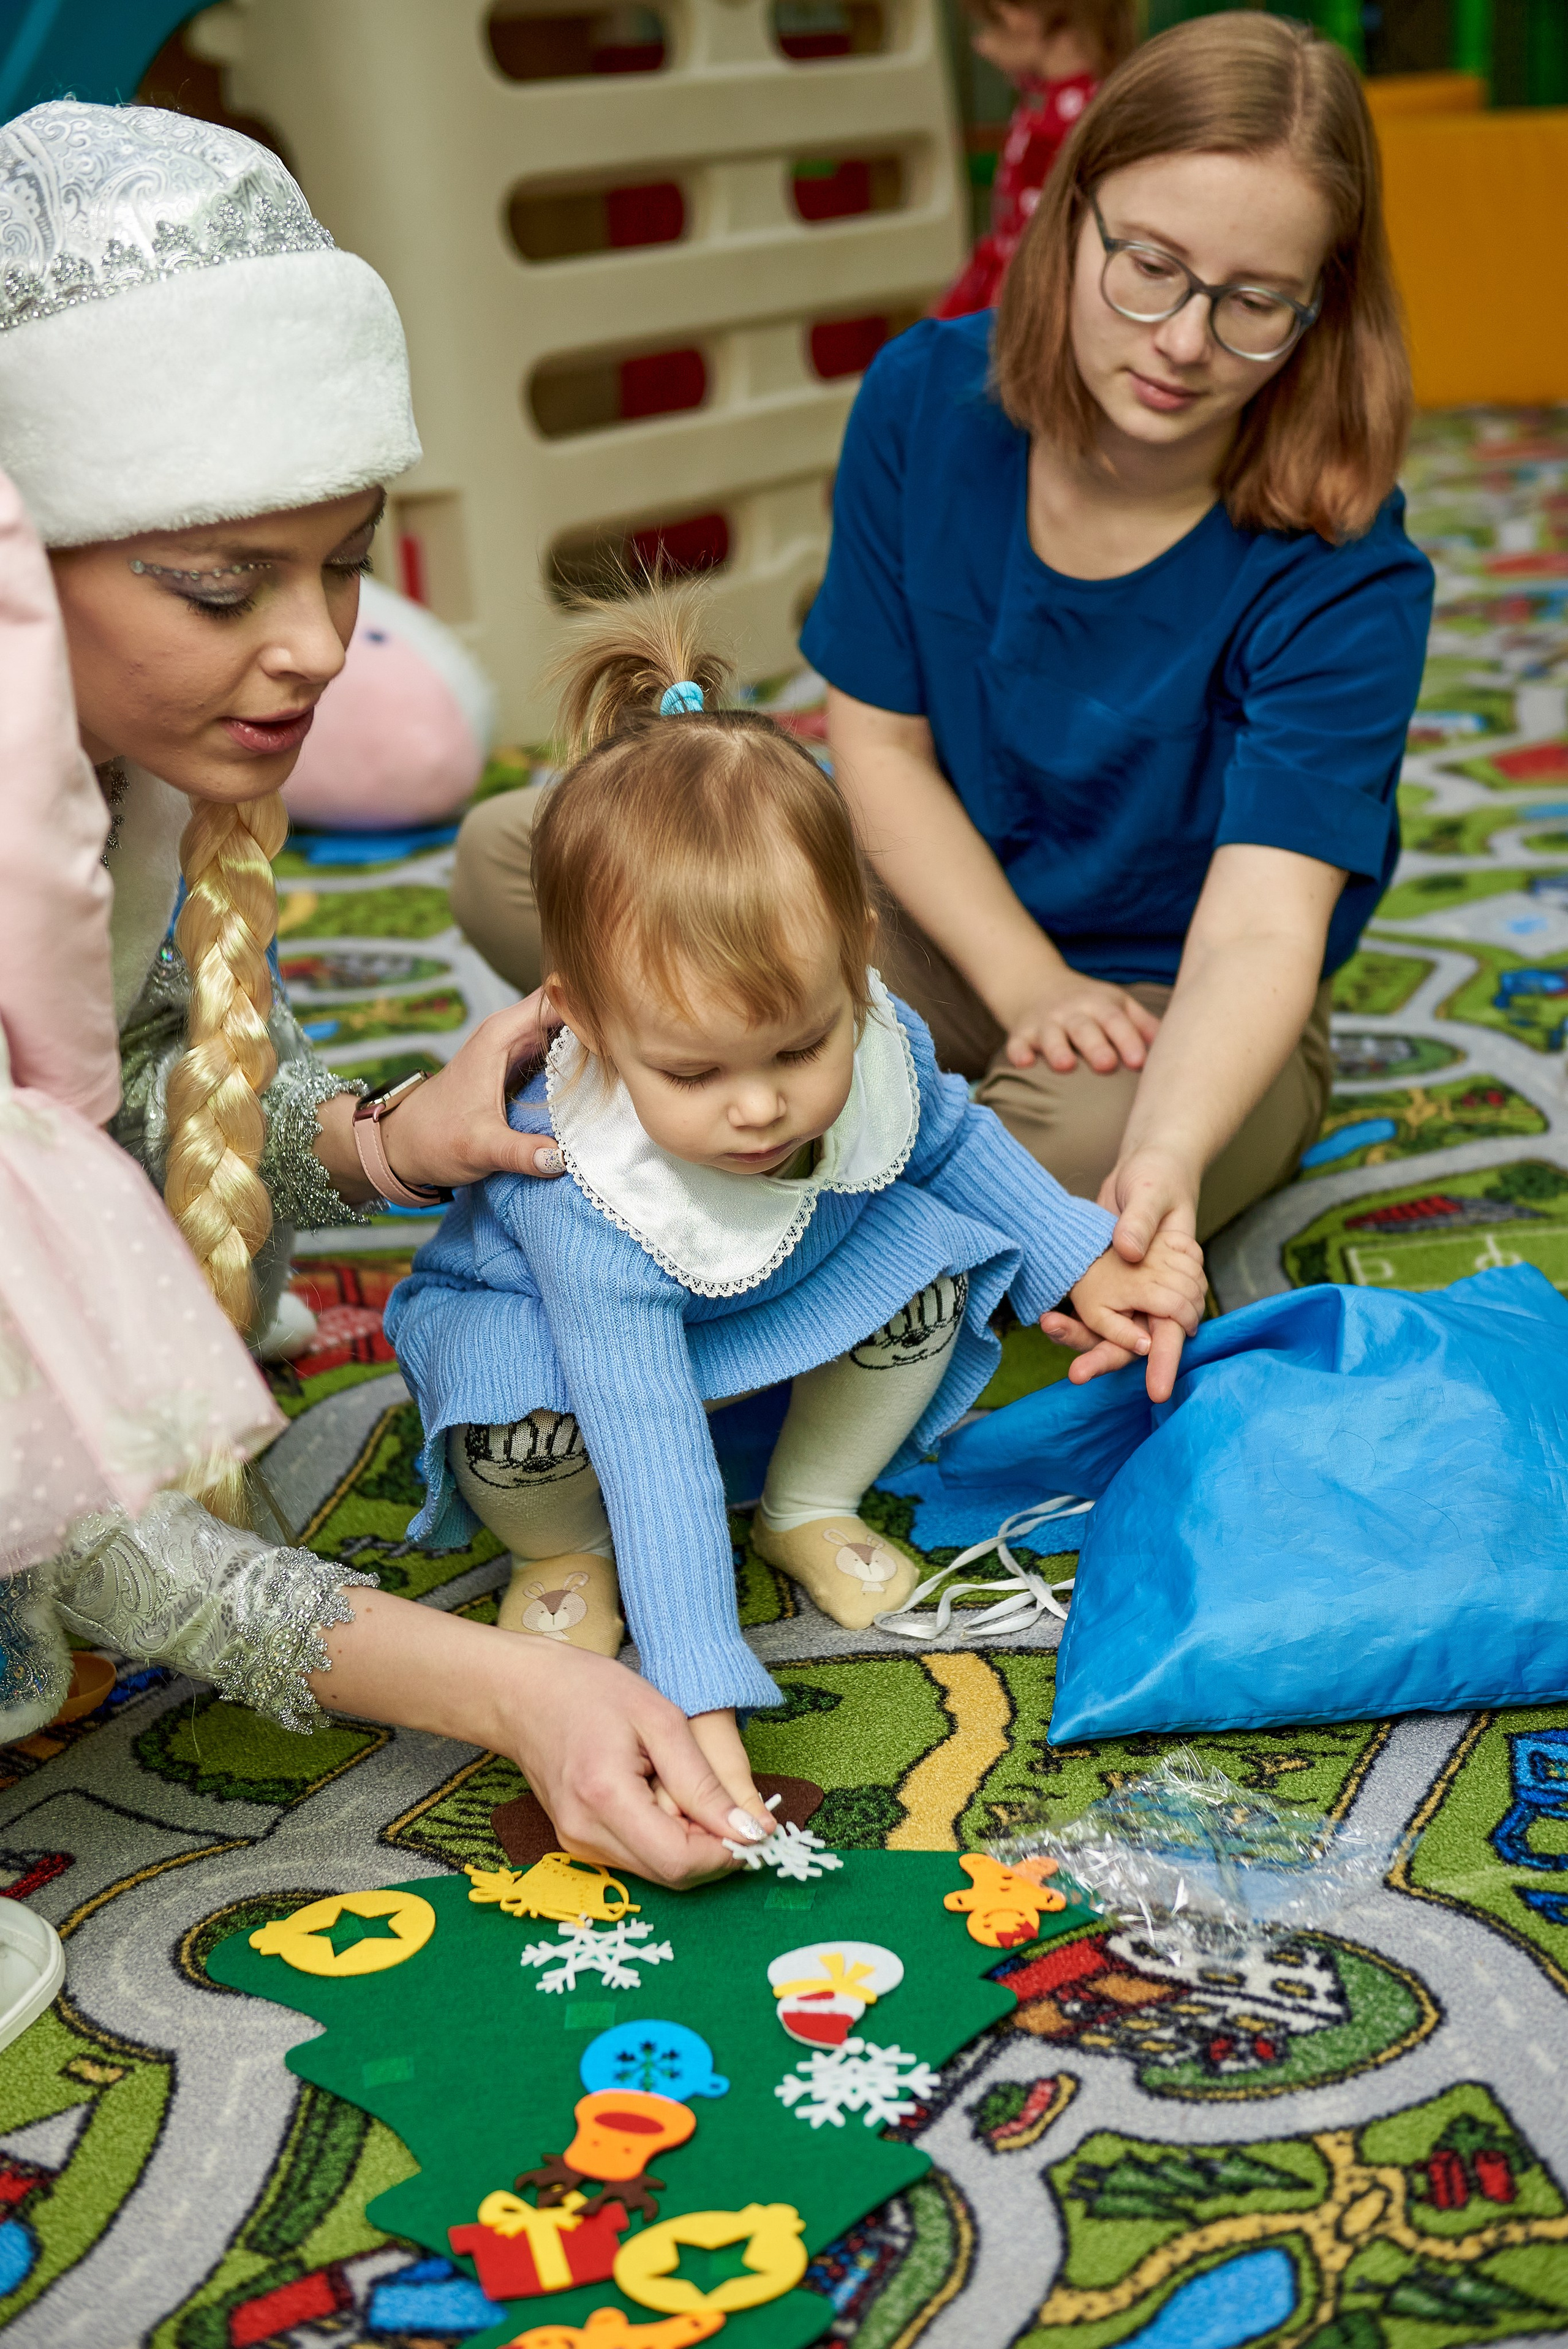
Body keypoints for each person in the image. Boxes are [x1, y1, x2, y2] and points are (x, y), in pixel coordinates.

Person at [0, 99, 741, 1883]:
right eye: (222, 581)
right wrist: (511, 1694)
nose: (324, 645)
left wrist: (393, 1137)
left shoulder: (112, 763)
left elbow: (156, 1070)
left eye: (344, 562)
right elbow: (80, 1488)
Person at [384, 587, 1207, 1825]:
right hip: (566, 1346)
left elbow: (949, 1136)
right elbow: (646, 1433)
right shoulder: (576, 1177)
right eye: (694, 1072)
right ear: (588, 1024)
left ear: (858, 956)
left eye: (796, 1049)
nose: (761, 1109)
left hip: (764, 1292)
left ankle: (804, 1503)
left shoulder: (878, 1034)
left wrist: (1076, 1258)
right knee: (519, 1425)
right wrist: (695, 1684)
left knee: (933, 1251)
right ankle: (564, 1551)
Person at [799, 10, 1434, 1371]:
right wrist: (1024, 980)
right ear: (1066, 213)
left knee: (1084, 1162)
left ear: (1321, 303)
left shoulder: (1345, 568)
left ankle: (845, 1122)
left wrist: (1165, 1157)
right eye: (1146, 265)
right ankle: (860, 1095)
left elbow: (1260, 930)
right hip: (944, 913)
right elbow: (876, 746)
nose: (1184, 340)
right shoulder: (920, 399)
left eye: (1253, 299)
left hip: (1176, 999)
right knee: (546, 856)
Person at [935, 0, 1136, 321]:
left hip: (1031, 285)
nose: (981, 45)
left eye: (989, 28)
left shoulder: (1068, 118)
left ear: (1018, 18)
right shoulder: (1056, 96)